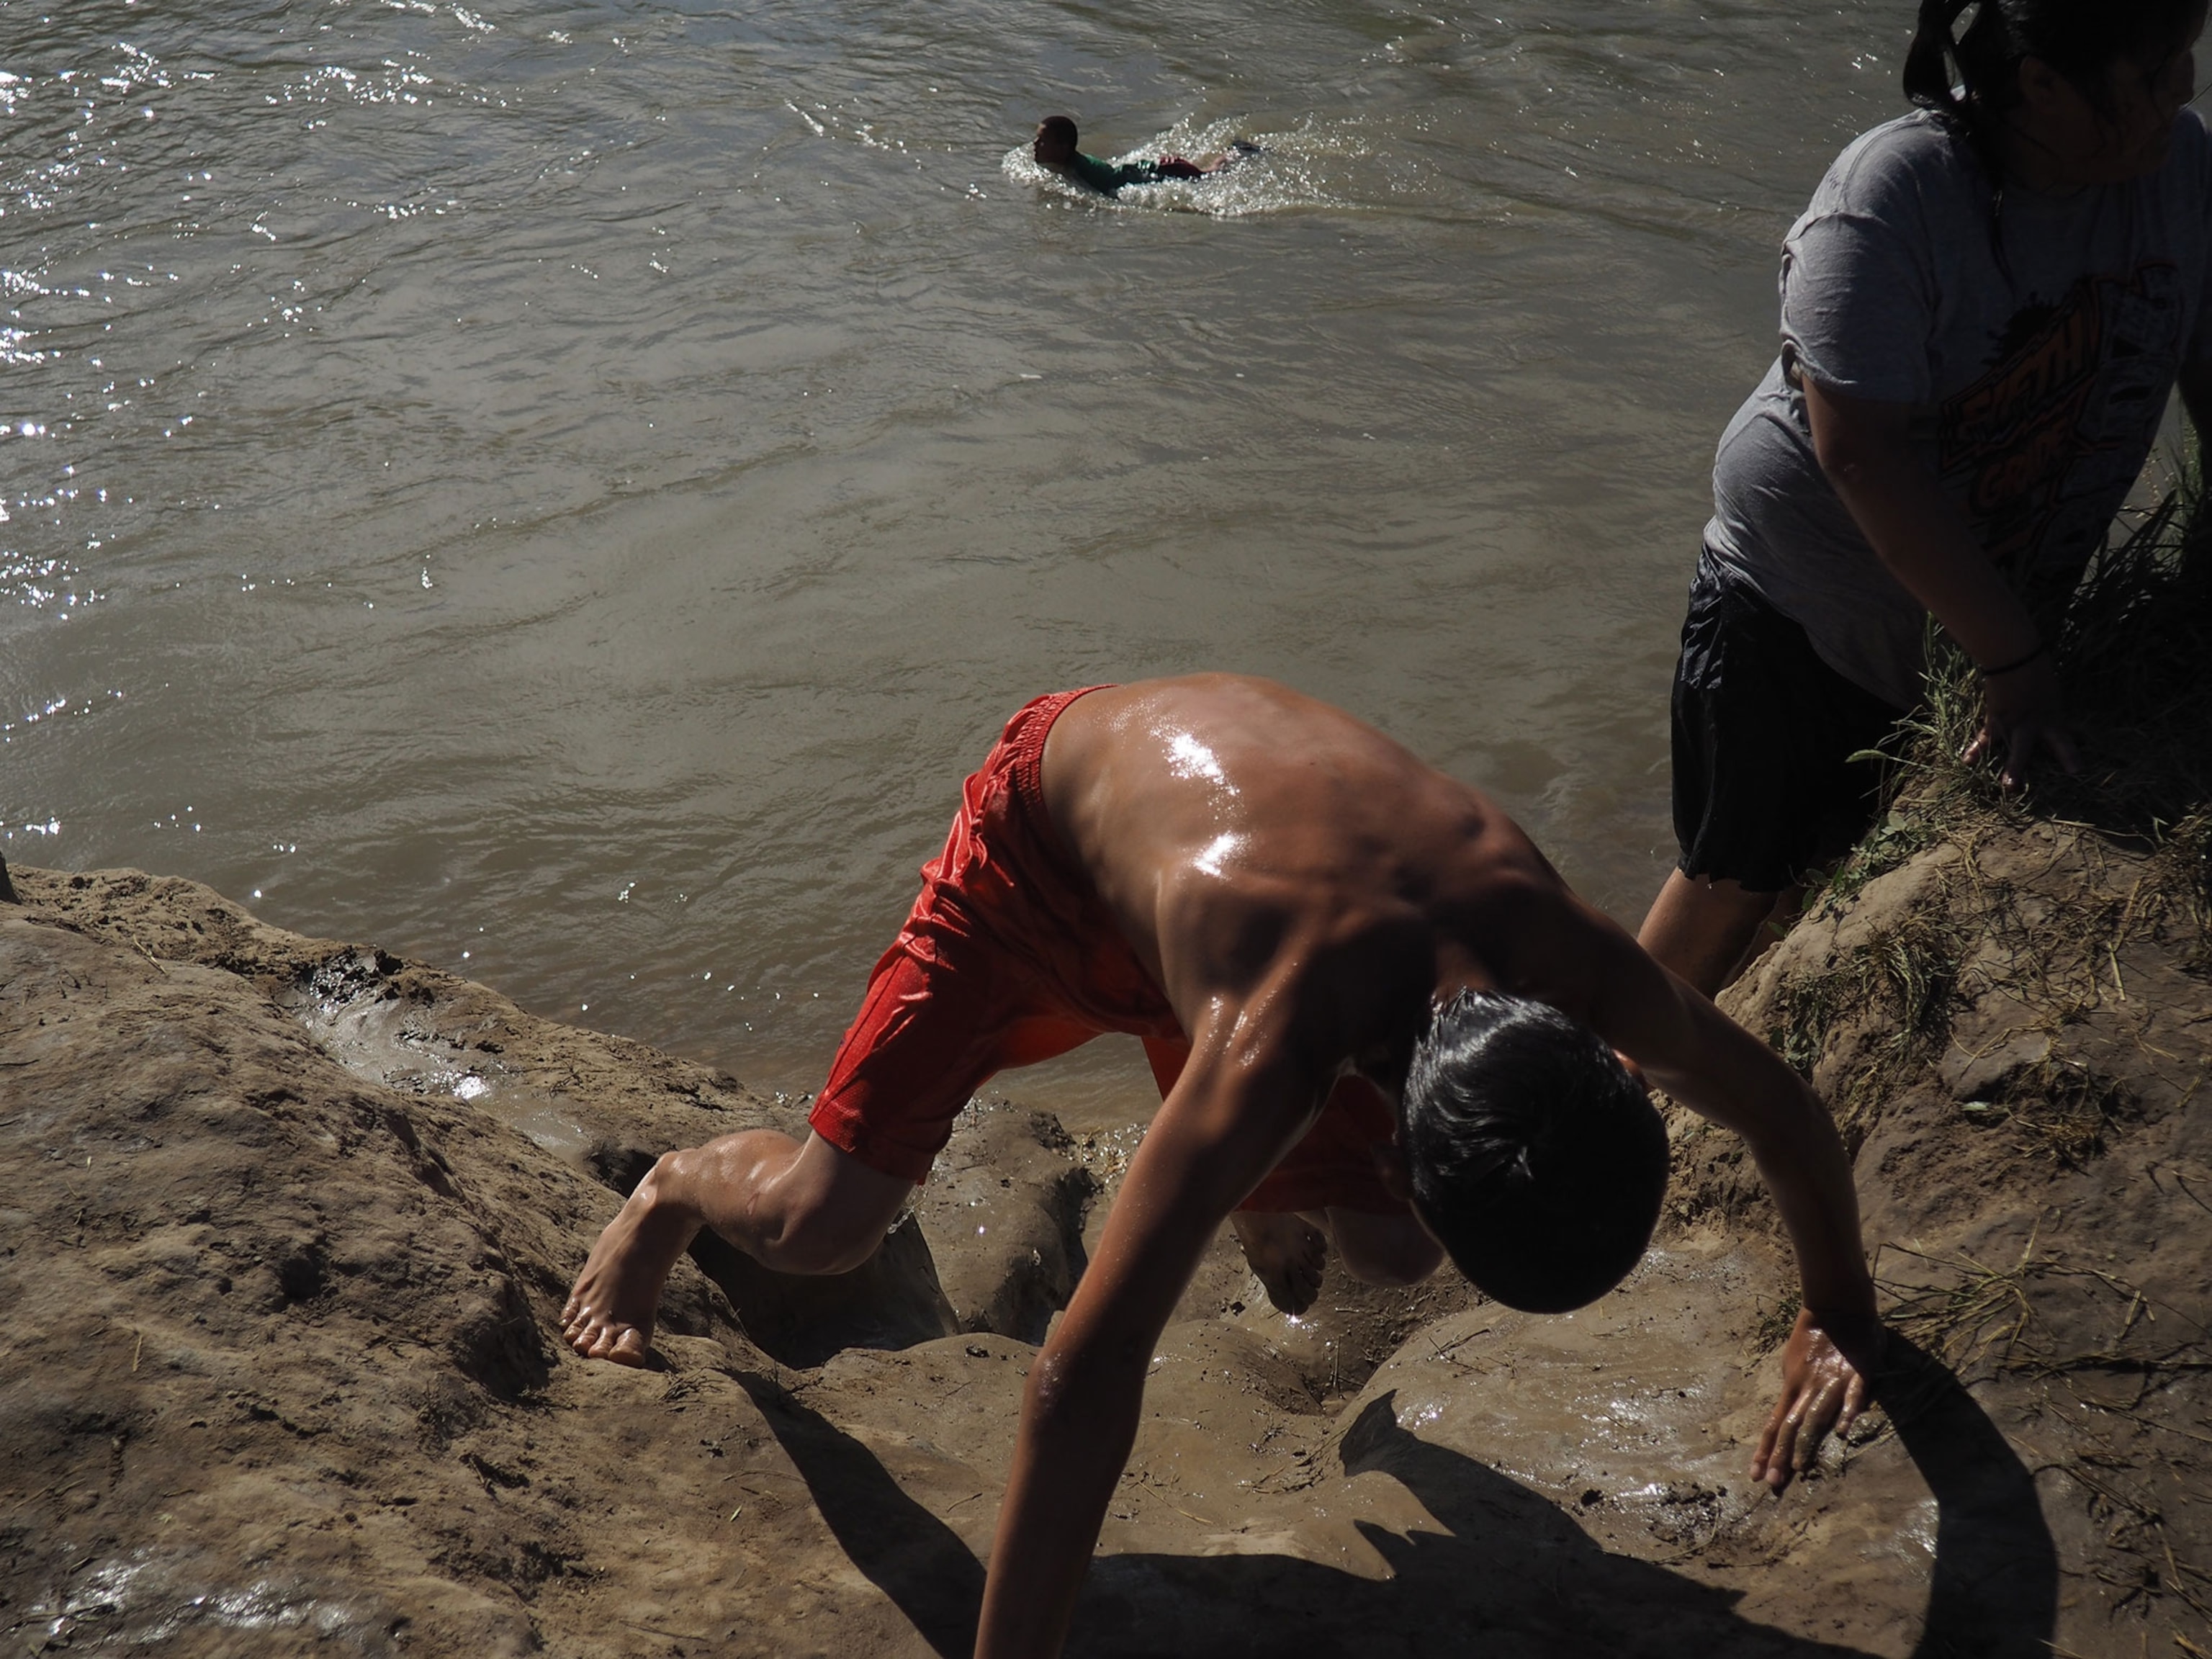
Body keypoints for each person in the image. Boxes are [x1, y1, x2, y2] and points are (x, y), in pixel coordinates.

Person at [563, 675, 1881, 1659]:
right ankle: (673, 1190)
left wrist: (1838, 1311)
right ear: (1399, 1133)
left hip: (1228, 894)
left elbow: (1777, 1107)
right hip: (1046, 847)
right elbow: (1081, 1373)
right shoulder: (1285, 1035)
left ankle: (1252, 1192)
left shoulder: (1569, 960)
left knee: (1392, 1257)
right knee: (821, 1224)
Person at [1640, 0, 2212, 998]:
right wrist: (2018, 662)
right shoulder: (1899, 192)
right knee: (1735, 876)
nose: (2187, 91)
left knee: (1831, 868)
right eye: (2159, 69)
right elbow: (1860, 456)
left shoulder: (2181, 174)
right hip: (1800, 603)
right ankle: (1606, 1089)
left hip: (1971, 617)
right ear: (2041, 84)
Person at [1031, 114, 1246, 197]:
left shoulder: (1080, 169)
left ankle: (1239, 152)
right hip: (1152, 169)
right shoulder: (1069, 163)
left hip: (1164, 171)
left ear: (1063, 148)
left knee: (1210, 176)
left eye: (1042, 141)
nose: (1035, 145)